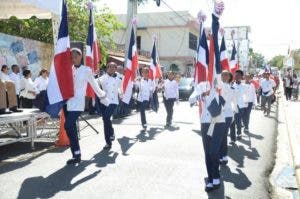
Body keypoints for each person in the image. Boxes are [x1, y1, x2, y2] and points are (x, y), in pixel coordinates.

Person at [64, 48, 106, 165]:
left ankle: (76, 154)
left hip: (78, 103)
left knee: (67, 125)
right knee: (70, 129)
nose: (73, 59)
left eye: (75, 57)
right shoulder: (68, 69)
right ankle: (76, 154)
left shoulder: (86, 70)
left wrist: (102, 96)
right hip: (67, 103)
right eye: (71, 57)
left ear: (81, 56)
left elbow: (94, 84)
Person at [189, 80, 225, 192]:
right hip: (205, 122)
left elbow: (226, 98)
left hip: (219, 121)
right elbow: (191, 100)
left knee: (214, 151)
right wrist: (203, 94)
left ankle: (216, 174)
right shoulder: (201, 85)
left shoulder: (219, 81)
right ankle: (211, 178)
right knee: (208, 152)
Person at [97, 62, 122, 150]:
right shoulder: (101, 78)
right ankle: (108, 142)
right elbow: (95, 86)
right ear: (107, 68)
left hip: (113, 102)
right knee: (105, 120)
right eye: (109, 67)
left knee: (106, 118)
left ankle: (111, 132)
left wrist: (121, 94)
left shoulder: (119, 79)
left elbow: (122, 87)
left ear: (115, 69)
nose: (111, 69)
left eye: (113, 67)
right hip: (104, 102)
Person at [219, 71, 235, 165]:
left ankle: (223, 156)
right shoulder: (218, 87)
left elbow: (234, 102)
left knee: (223, 135)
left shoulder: (231, 88)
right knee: (221, 136)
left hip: (227, 115)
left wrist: (233, 114)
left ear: (230, 77)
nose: (224, 76)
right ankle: (222, 155)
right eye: (222, 74)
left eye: (226, 75)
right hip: (218, 114)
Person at [230, 70, 248, 142]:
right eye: (235, 75)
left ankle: (239, 133)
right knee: (232, 122)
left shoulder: (245, 86)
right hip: (232, 106)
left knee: (238, 121)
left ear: (241, 77)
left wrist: (246, 104)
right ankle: (232, 138)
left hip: (240, 106)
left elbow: (246, 96)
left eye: (238, 75)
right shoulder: (231, 85)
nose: (236, 76)